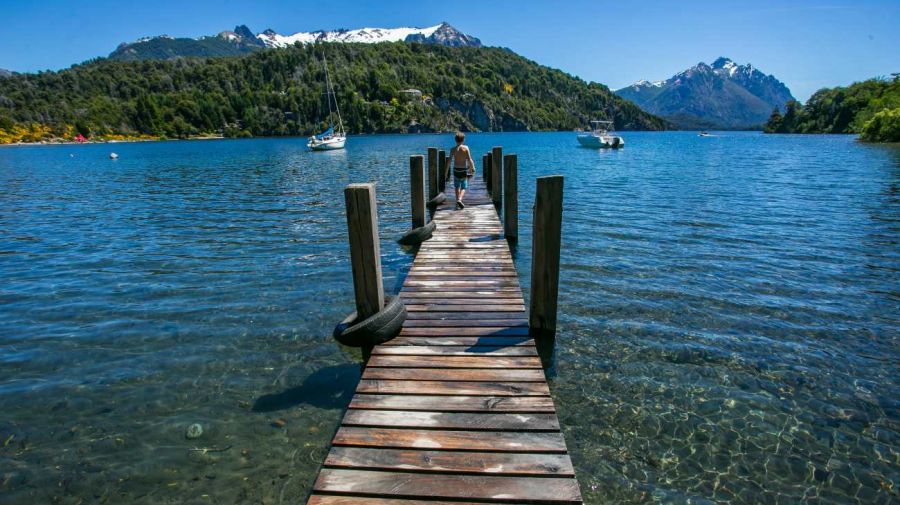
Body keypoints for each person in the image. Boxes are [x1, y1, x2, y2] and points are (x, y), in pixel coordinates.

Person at [444, 132, 476, 209]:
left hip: (456, 170)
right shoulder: (466, 148)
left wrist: (445, 173)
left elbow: (449, 161)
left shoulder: (453, 149)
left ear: (455, 140)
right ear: (463, 140)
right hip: (463, 170)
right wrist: (472, 168)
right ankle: (460, 199)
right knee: (464, 186)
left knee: (456, 186)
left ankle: (457, 201)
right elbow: (469, 159)